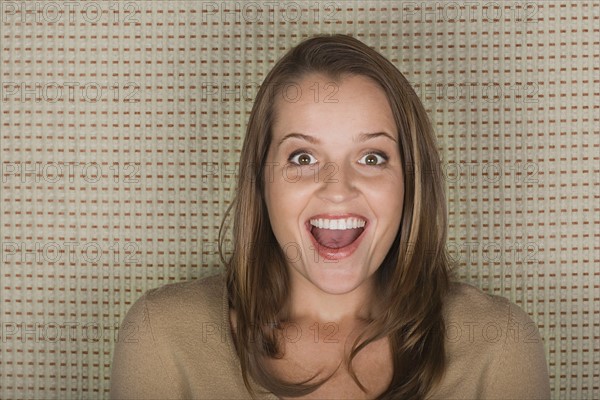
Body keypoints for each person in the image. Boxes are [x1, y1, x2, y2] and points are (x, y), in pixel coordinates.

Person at [109, 34, 551, 399]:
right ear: (262, 183)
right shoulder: (162, 338)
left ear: (411, 182)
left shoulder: (499, 345)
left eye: (373, 157)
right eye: (303, 157)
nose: (338, 190)